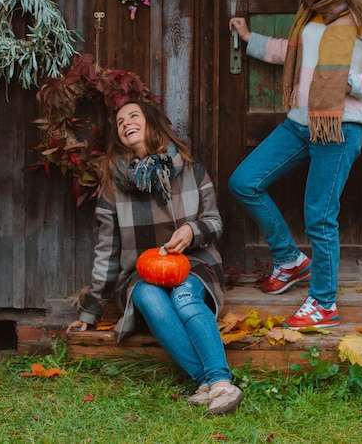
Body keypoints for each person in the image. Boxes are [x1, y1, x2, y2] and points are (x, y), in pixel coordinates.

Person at [228, 0, 362, 330]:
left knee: (320, 217)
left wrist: (353, 83)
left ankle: (323, 303)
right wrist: (250, 38)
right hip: (299, 124)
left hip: (339, 128)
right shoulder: (315, 3)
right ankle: (289, 259)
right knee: (244, 182)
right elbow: (293, 52)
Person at [66, 100, 243, 415]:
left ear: (150, 124)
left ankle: (218, 381)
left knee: (185, 298)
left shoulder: (192, 170)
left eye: (133, 116)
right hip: (142, 273)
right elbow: (107, 252)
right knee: (148, 297)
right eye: (120, 122)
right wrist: (89, 313)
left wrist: (192, 230)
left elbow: (214, 222)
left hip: (194, 263)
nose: (126, 123)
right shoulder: (113, 189)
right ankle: (211, 383)